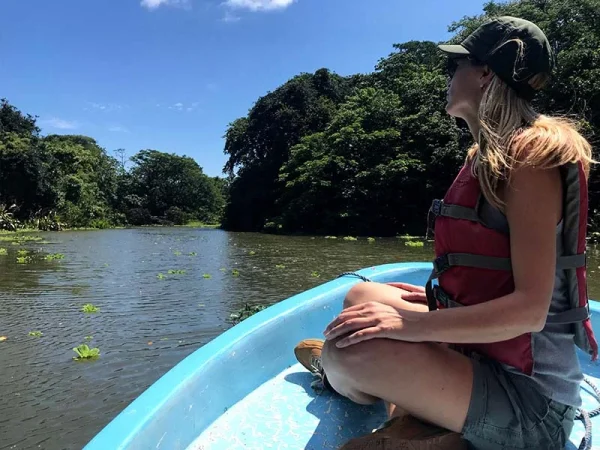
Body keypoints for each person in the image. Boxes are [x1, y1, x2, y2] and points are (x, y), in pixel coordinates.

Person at [294, 16, 598, 450]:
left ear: (486, 73)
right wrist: (428, 313)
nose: (449, 76)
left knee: (350, 349)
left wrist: (412, 323)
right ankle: (422, 420)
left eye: (456, 65)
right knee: (361, 300)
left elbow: (530, 313)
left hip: (530, 404)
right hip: (480, 352)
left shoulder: (530, 158)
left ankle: (397, 413)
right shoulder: (487, 154)